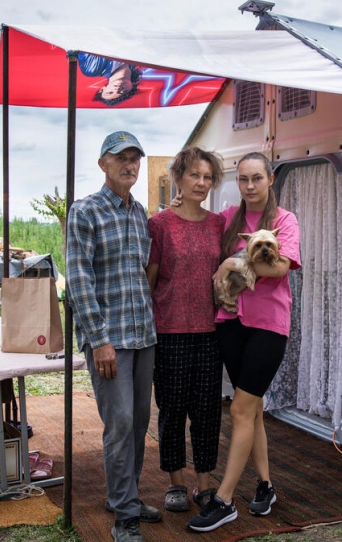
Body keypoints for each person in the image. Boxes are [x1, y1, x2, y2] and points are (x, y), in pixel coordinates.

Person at [187, 152, 301, 533]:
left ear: (271, 179)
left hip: (268, 326)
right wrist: (180, 202)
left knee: (239, 410)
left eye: (257, 178)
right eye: (243, 180)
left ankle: (224, 500)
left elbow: (280, 266)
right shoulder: (226, 221)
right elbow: (196, 223)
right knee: (250, 410)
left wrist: (231, 263)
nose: (250, 186)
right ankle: (266, 486)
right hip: (230, 322)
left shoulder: (285, 221)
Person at [66, 130, 161, 542]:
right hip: (110, 339)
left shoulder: (140, 213)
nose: (130, 164)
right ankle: (125, 516)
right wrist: (99, 339)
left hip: (143, 336)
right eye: (121, 157)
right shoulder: (84, 212)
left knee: (139, 421)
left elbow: (141, 273)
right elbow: (79, 279)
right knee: (119, 422)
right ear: (103, 163)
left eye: (135, 158)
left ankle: (126, 495)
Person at [145, 147, 226, 514]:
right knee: (172, 409)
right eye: (194, 175)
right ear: (177, 177)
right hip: (170, 332)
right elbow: (149, 281)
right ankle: (176, 483)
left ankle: (205, 484)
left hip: (210, 332)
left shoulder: (218, 225)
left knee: (207, 411)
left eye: (208, 177)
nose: (201, 182)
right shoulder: (159, 224)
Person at [77, 52, 143, 106]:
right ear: (131, 88)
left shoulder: (92, 69)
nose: (116, 89)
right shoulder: (140, 60)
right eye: (122, 91)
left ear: (102, 89)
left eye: (110, 92)